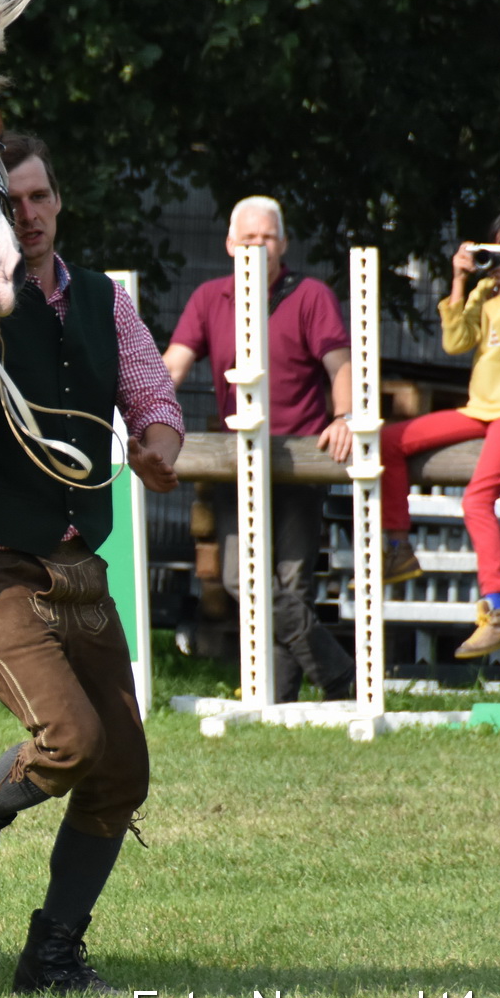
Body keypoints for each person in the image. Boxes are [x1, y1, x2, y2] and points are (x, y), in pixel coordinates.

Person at [0, 133, 184, 996]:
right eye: (11, 202)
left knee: (124, 771)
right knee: (69, 739)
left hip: (77, 569)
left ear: (58, 203)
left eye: (38, 198)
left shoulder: (104, 302)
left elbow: (152, 393)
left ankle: (53, 955)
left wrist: (157, 444)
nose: (26, 216)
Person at [162, 196, 357, 702]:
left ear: (283, 244)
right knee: (237, 579)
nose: (256, 247)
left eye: (266, 238)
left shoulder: (310, 294)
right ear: (230, 245)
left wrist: (345, 417)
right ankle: (340, 676)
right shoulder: (209, 299)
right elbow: (174, 366)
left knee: (292, 585)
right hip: (239, 460)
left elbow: (341, 365)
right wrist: (144, 411)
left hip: (301, 462)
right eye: (247, 238)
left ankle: (276, 702)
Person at [380, 207, 500, 658]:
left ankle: (497, 611)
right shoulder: (487, 288)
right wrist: (461, 282)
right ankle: (398, 547)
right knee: (388, 441)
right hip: (481, 408)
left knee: (476, 499)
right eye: (498, 250)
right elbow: (456, 342)